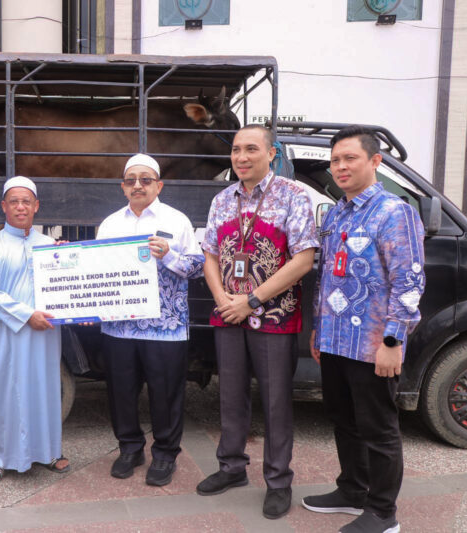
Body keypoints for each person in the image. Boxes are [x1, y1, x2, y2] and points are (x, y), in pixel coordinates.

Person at [304, 126, 425, 533]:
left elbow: (409, 280)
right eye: (335, 159)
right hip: (336, 340)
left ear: (375, 161)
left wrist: (393, 340)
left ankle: (383, 513)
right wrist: (319, 330)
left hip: (374, 343)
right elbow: (327, 278)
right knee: (343, 418)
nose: (340, 166)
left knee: (379, 428)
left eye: (349, 158)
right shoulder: (338, 210)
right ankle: (352, 489)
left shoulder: (395, 212)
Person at [197, 125, 318, 519]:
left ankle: (278, 480)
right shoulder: (221, 200)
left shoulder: (293, 196)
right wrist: (221, 300)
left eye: (251, 149)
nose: (241, 157)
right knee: (230, 395)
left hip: (274, 317)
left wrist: (251, 300)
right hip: (228, 314)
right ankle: (231, 468)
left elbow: (303, 259)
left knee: (276, 401)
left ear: (272, 152)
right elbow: (210, 256)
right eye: (236, 150)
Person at [96, 154, 204, 486]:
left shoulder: (178, 221)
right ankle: (129, 448)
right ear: (123, 186)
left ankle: (165, 454)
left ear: (159, 184)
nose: (138, 185)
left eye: (145, 179)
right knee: (121, 391)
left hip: (165, 327)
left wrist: (169, 254)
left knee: (166, 392)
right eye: (131, 180)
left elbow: (198, 267)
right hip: (119, 327)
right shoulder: (110, 223)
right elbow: (95, 272)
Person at [0, 176, 69, 483]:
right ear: (3, 206)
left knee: (44, 389)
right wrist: (28, 315)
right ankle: (0, 458)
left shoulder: (50, 246)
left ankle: (49, 451)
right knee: (5, 393)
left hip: (45, 334)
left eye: (26, 201)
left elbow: (67, 285)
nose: (20, 207)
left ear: (36, 206)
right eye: (14, 201)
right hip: (8, 334)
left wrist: (70, 260)